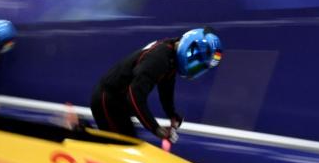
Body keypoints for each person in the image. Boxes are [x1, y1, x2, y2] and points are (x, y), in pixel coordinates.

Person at [89, 27, 222, 142]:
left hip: (118, 102)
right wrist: (155, 128)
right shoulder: (160, 58)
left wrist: (171, 114)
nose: (195, 66)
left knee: (128, 145)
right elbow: (134, 95)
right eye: (196, 59)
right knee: (120, 150)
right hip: (108, 100)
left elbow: (166, 89)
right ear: (190, 46)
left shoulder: (171, 56)